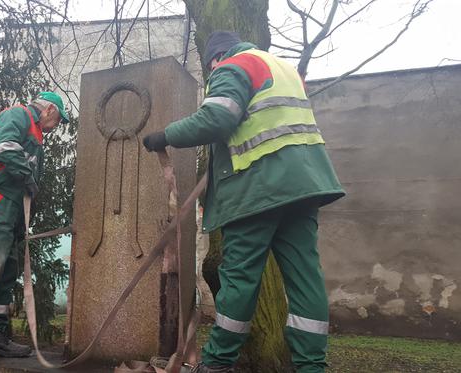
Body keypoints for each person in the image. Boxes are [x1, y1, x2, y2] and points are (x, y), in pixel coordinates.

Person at [142, 31, 345, 373]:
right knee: (305, 277)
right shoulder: (284, 69)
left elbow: (216, 119)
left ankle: (217, 363)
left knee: (239, 278)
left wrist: (164, 136)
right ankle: (312, 367)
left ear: (214, 60)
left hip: (258, 188)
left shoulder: (233, 65)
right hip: (305, 185)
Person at [0, 92, 69, 363]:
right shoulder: (18, 115)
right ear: (50, 109)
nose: (56, 126)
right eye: (58, 119)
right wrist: (27, 177)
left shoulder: (36, 137)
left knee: (6, 273)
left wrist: (21, 224)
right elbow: (6, 149)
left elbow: (23, 186)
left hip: (8, 209)